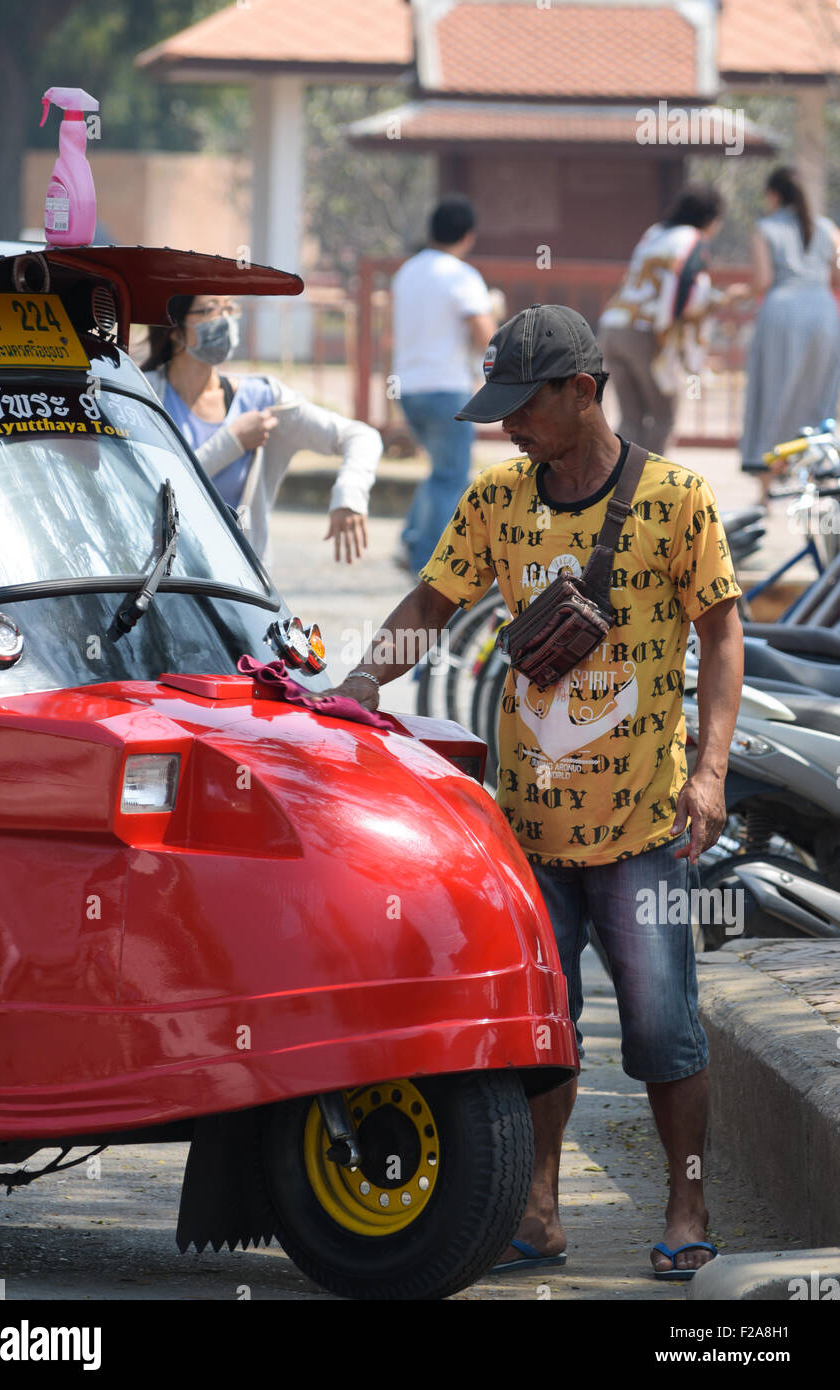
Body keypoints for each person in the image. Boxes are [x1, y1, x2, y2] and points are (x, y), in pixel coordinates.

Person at [308, 304, 744, 1280]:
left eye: (522, 405)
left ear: (580, 391)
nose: (508, 425)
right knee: (539, 1031)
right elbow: (431, 602)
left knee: (664, 1029)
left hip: (641, 824)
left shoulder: (676, 500)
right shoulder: (498, 502)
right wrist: (361, 683)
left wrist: (707, 771)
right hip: (526, 832)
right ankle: (538, 1206)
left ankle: (685, 1199)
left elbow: (721, 634)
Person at [142, 294, 382, 566]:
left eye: (229, 308)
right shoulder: (143, 394)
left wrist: (349, 496)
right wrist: (231, 443)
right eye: (210, 310)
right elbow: (149, 493)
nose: (225, 321)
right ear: (175, 329)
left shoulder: (262, 399)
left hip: (241, 585)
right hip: (159, 579)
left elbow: (362, 437)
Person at [391, 195, 496, 575]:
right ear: (468, 236)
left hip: (408, 385)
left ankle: (410, 541)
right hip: (445, 386)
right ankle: (424, 561)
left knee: (440, 471)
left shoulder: (408, 270)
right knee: (451, 476)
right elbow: (484, 332)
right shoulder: (460, 275)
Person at [599, 185, 746, 456]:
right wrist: (721, 300)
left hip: (614, 325)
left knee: (631, 417)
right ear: (710, 218)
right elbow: (685, 294)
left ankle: (613, 481)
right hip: (646, 332)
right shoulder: (693, 239)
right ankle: (647, 486)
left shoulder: (655, 232)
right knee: (663, 416)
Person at [739, 165, 840, 482]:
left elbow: (763, 281)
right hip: (823, 313)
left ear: (773, 195)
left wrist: (738, 294)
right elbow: (836, 275)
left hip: (782, 314)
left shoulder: (765, 228)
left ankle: (765, 480)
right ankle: (816, 472)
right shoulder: (828, 228)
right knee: (819, 393)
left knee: (772, 394)